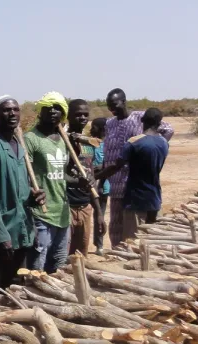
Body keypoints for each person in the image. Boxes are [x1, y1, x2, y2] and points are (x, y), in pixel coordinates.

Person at [0, 96, 45, 294]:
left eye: (15, 110)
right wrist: (1, 234)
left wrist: (34, 198)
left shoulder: (19, 146)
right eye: (6, 110)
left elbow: (20, 190)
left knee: (16, 287)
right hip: (1, 234)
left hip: (23, 231)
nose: (12, 113)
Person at [103, 88, 174, 246]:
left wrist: (154, 148)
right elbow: (106, 150)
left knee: (136, 229)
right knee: (116, 225)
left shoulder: (140, 117)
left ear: (124, 101)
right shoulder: (109, 123)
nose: (111, 109)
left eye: (114, 105)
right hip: (115, 182)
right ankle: (116, 256)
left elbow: (168, 129)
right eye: (108, 106)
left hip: (134, 184)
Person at [26, 92, 71, 273]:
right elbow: (25, 175)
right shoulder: (31, 139)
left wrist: (80, 181)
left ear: (63, 113)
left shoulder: (63, 139)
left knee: (59, 266)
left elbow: (62, 175)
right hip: (41, 214)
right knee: (38, 268)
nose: (53, 111)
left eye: (58, 108)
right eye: (48, 107)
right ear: (40, 112)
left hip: (62, 213)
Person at [65, 99, 106, 256]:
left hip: (85, 207)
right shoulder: (61, 141)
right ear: (68, 116)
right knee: (63, 258)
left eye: (85, 115)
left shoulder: (89, 143)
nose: (82, 118)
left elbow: (91, 179)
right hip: (66, 207)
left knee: (81, 256)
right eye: (78, 114)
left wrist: (99, 213)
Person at [89, 118, 110, 255]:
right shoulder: (89, 142)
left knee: (99, 215)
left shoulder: (106, 144)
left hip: (101, 185)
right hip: (90, 184)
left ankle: (99, 245)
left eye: (94, 127)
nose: (91, 129)